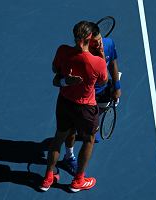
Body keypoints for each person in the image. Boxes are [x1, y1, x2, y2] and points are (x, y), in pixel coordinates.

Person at [39, 21, 108, 192]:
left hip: (64, 103)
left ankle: (47, 178)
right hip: (85, 109)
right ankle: (78, 181)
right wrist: (100, 55)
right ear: (90, 38)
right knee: (88, 140)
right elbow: (103, 81)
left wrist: (66, 79)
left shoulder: (62, 50)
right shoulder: (97, 62)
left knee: (58, 139)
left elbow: (55, 70)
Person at [53, 23, 122, 176]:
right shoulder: (81, 55)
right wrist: (100, 57)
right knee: (71, 131)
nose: (99, 44)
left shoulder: (109, 43)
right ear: (87, 41)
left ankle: (90, 128)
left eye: (100, 40)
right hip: (82, 99)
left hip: (101, 95)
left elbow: (113, 65)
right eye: (95, 42)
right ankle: (69, 156)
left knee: (92, 127)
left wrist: (117, 86)